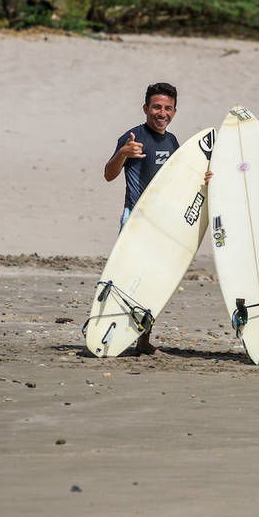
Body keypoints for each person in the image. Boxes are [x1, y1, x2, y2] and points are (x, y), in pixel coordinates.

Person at [103, 82, 180, 354]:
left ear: (174, 111)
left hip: (162, 222)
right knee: (127, 278)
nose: (162, 113)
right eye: (157, 107)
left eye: (168, 108)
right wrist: (123, 154)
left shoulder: (172, 141)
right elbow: (109, 174)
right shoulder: (132, 137)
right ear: (146, 108)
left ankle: (144, 340)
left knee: (154, 281)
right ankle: (111, 333)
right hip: (135, 217)